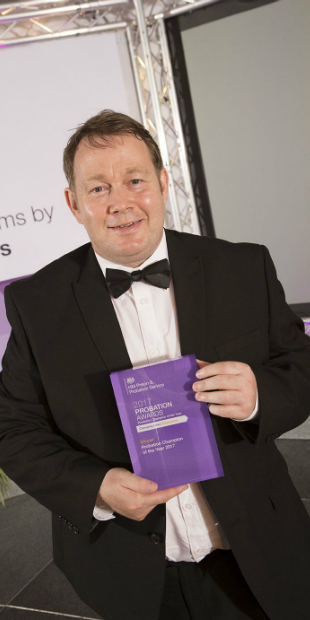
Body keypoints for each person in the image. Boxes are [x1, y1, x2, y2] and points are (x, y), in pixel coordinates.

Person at [0, 110, 310, 620]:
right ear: (73, 204)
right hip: (127, 569)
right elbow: (12, 426)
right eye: (98, 189)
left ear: (163, 183)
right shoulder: (37, 303)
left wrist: (259, 395)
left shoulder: (242, 267)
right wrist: (94, 487)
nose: (120, 202)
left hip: (255, 547)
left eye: (135, 180)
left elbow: (300, 365)